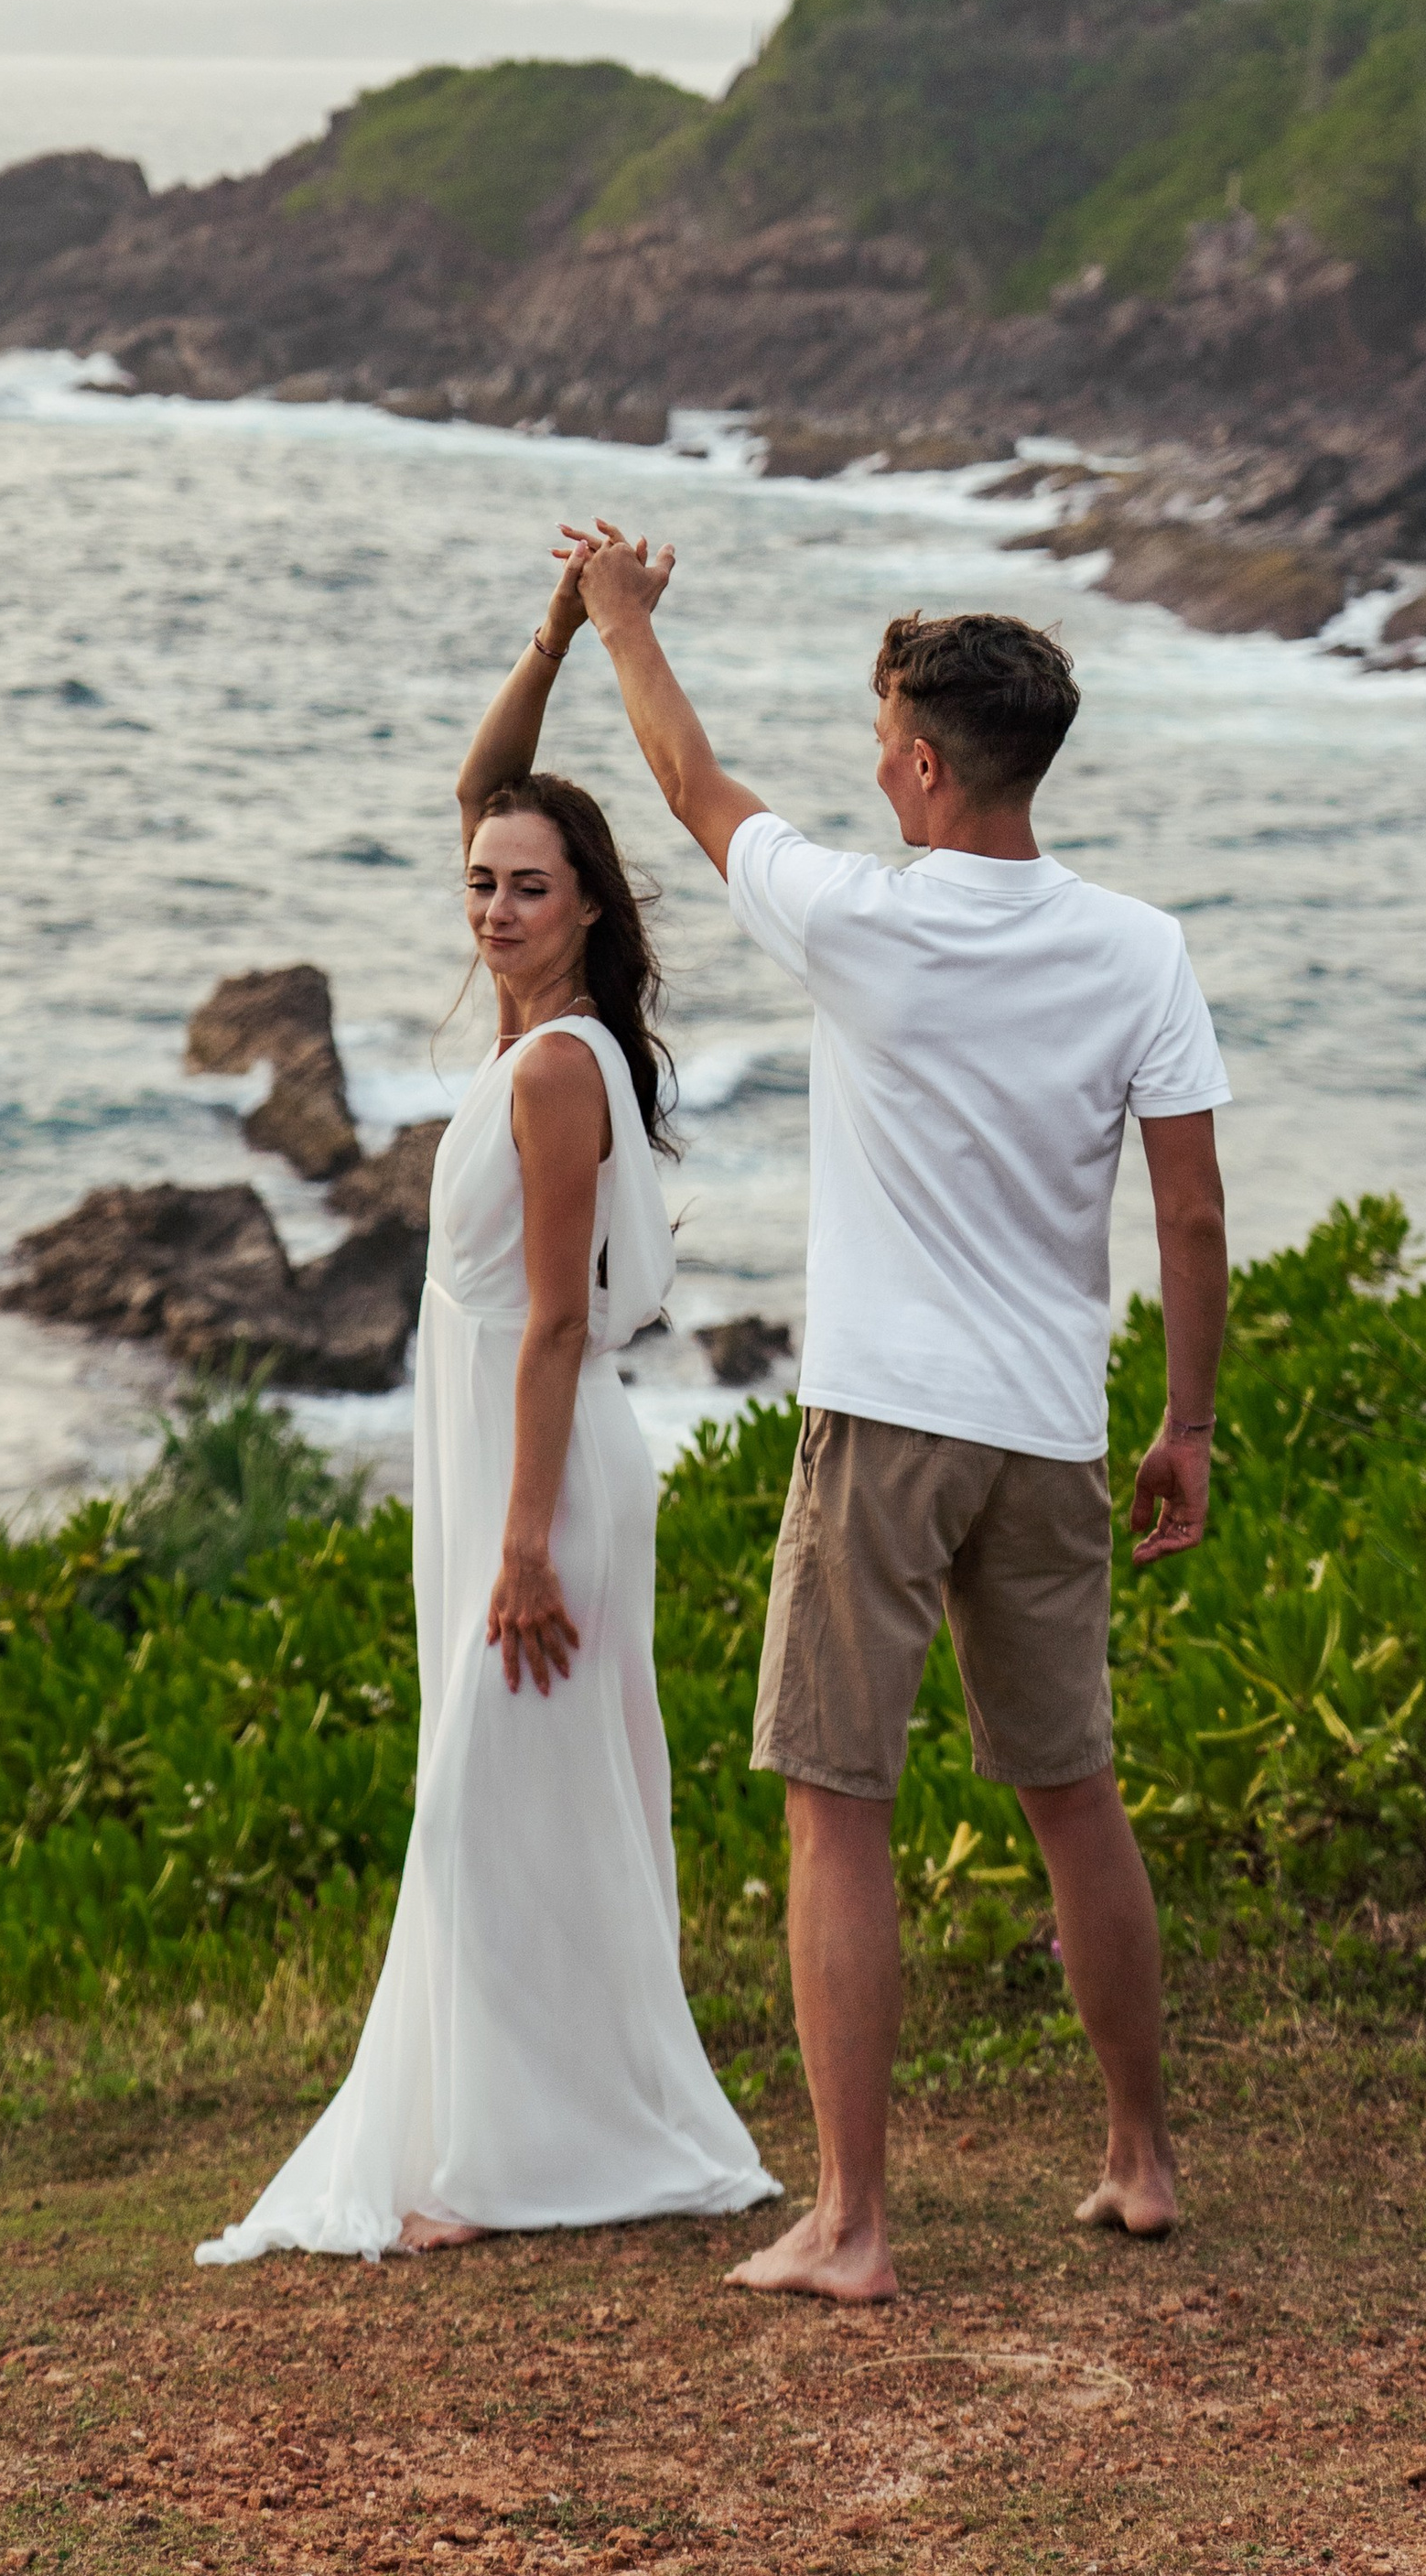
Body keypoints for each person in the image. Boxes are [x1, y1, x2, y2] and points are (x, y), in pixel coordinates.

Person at [563, 524, 1230, 2305]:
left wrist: (614, 617)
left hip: (878, 1424)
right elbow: (1186, 1214)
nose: (868, 764)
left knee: (832, 1800)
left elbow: (687, 778)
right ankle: (1139, 2159)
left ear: (926, 764)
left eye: (879, 741)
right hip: (1047, 1422)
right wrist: (1187, 1421)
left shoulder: (854, 915)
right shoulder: (1137, 948)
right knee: (1072, 1794)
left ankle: (851, 2220)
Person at [195, 543, 776, 2268]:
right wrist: (550, 634)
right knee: (529, 1802)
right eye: (482, 882)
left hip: (544, 1473)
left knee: (489, 1804)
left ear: (589, 901)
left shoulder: (552, 1072)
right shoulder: (548, 1038)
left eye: (529, 884)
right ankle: (531, 2131)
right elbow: (481, 781)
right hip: (510, 1465)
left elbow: (541, 1331)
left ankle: (526, 2152)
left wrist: (524, 1546)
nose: (494, 901)